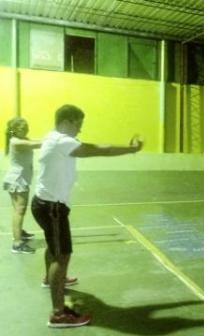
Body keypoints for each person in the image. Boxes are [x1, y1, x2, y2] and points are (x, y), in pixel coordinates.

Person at [31, 104, 143, 328]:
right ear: (66, 122)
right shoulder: (62, 141)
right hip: (52, 208)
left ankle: (50, 279)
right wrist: (131, 149)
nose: (80, 130)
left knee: (54, 248)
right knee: (61, 255)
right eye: (78, 125)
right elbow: (100, 149)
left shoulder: (52, 137)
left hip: (44, 204)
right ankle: (58, 314)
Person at [4, 117, 41, 254]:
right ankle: (17, 243)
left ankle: (19, 233)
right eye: (23, 128)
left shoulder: (21, 139)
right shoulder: (17, 142)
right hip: (18, 180)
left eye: (27, 126)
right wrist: (59, 141)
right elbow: (38, 144)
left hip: (16, 179)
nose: (27, 129)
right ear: (16, 129)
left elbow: (37, 141)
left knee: (17, 210)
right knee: (20, 211)